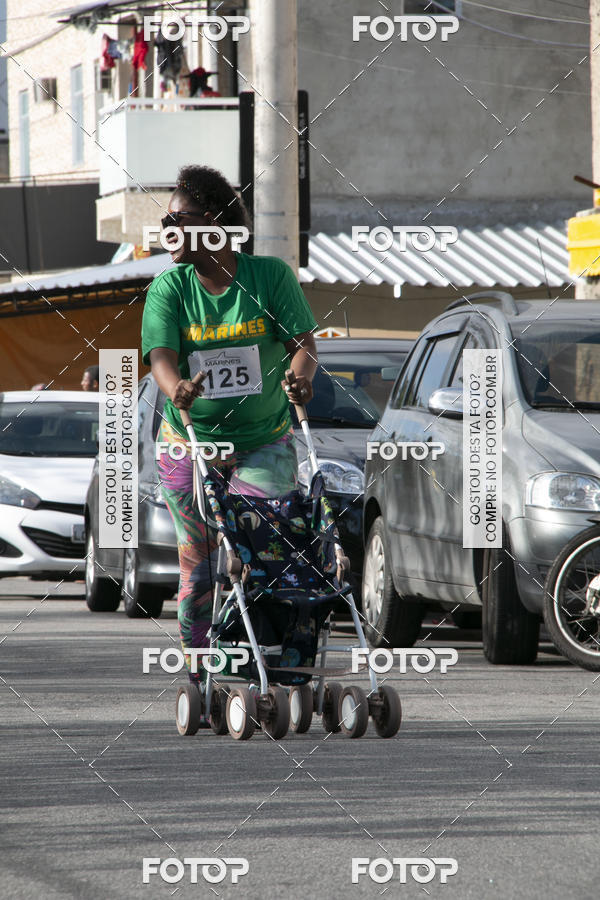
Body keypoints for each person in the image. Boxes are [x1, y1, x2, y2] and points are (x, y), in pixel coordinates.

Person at [141, 165, 317, 715]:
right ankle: (198, 675)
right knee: (198, 565)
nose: (167, 228)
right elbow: (161, 359)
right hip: (188, 444)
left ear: (215, 224)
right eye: (164, 220)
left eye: (178, 219)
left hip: (264, 439)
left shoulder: (268, 277)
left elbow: (302, 345)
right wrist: (179, 391)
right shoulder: (169, 287)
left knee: (265, 553)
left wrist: (301, 376)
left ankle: (276, 663)